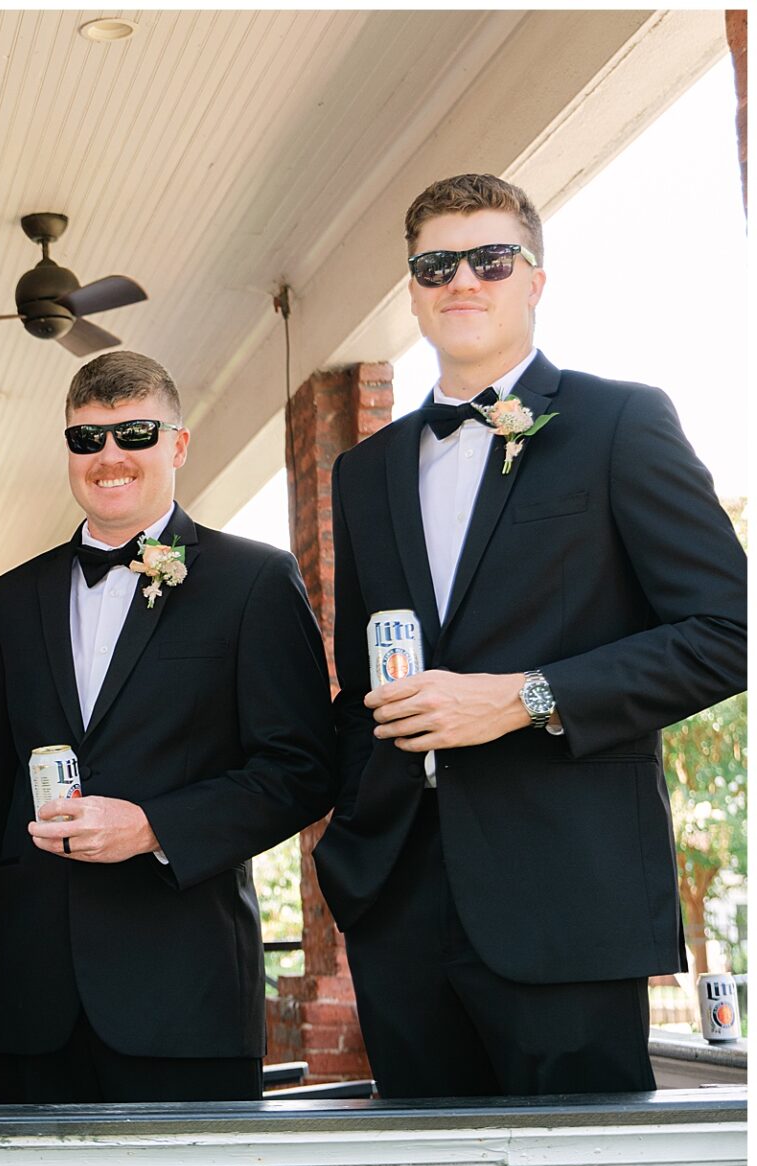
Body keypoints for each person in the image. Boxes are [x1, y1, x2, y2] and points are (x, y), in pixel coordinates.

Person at [315, 172, 747, 1108]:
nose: (460, 279)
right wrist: (353, 858)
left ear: (534, 281)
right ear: (415, 286)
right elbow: (361, 684)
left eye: (488, 258)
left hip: (568, 897)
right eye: (435, 263)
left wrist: (523, 697)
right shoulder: (365, 470)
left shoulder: (618, 421)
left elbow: (726, 632)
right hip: (398, 904)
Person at [0, 350, 336, 1116]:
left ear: (178, 445)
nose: (109, 457)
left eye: (133, 433)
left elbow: (303, 768)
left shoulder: (252, 581)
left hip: (184, 991)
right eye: (86, 439)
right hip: (33, 1000)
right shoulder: (10, 599)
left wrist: (155, 826)